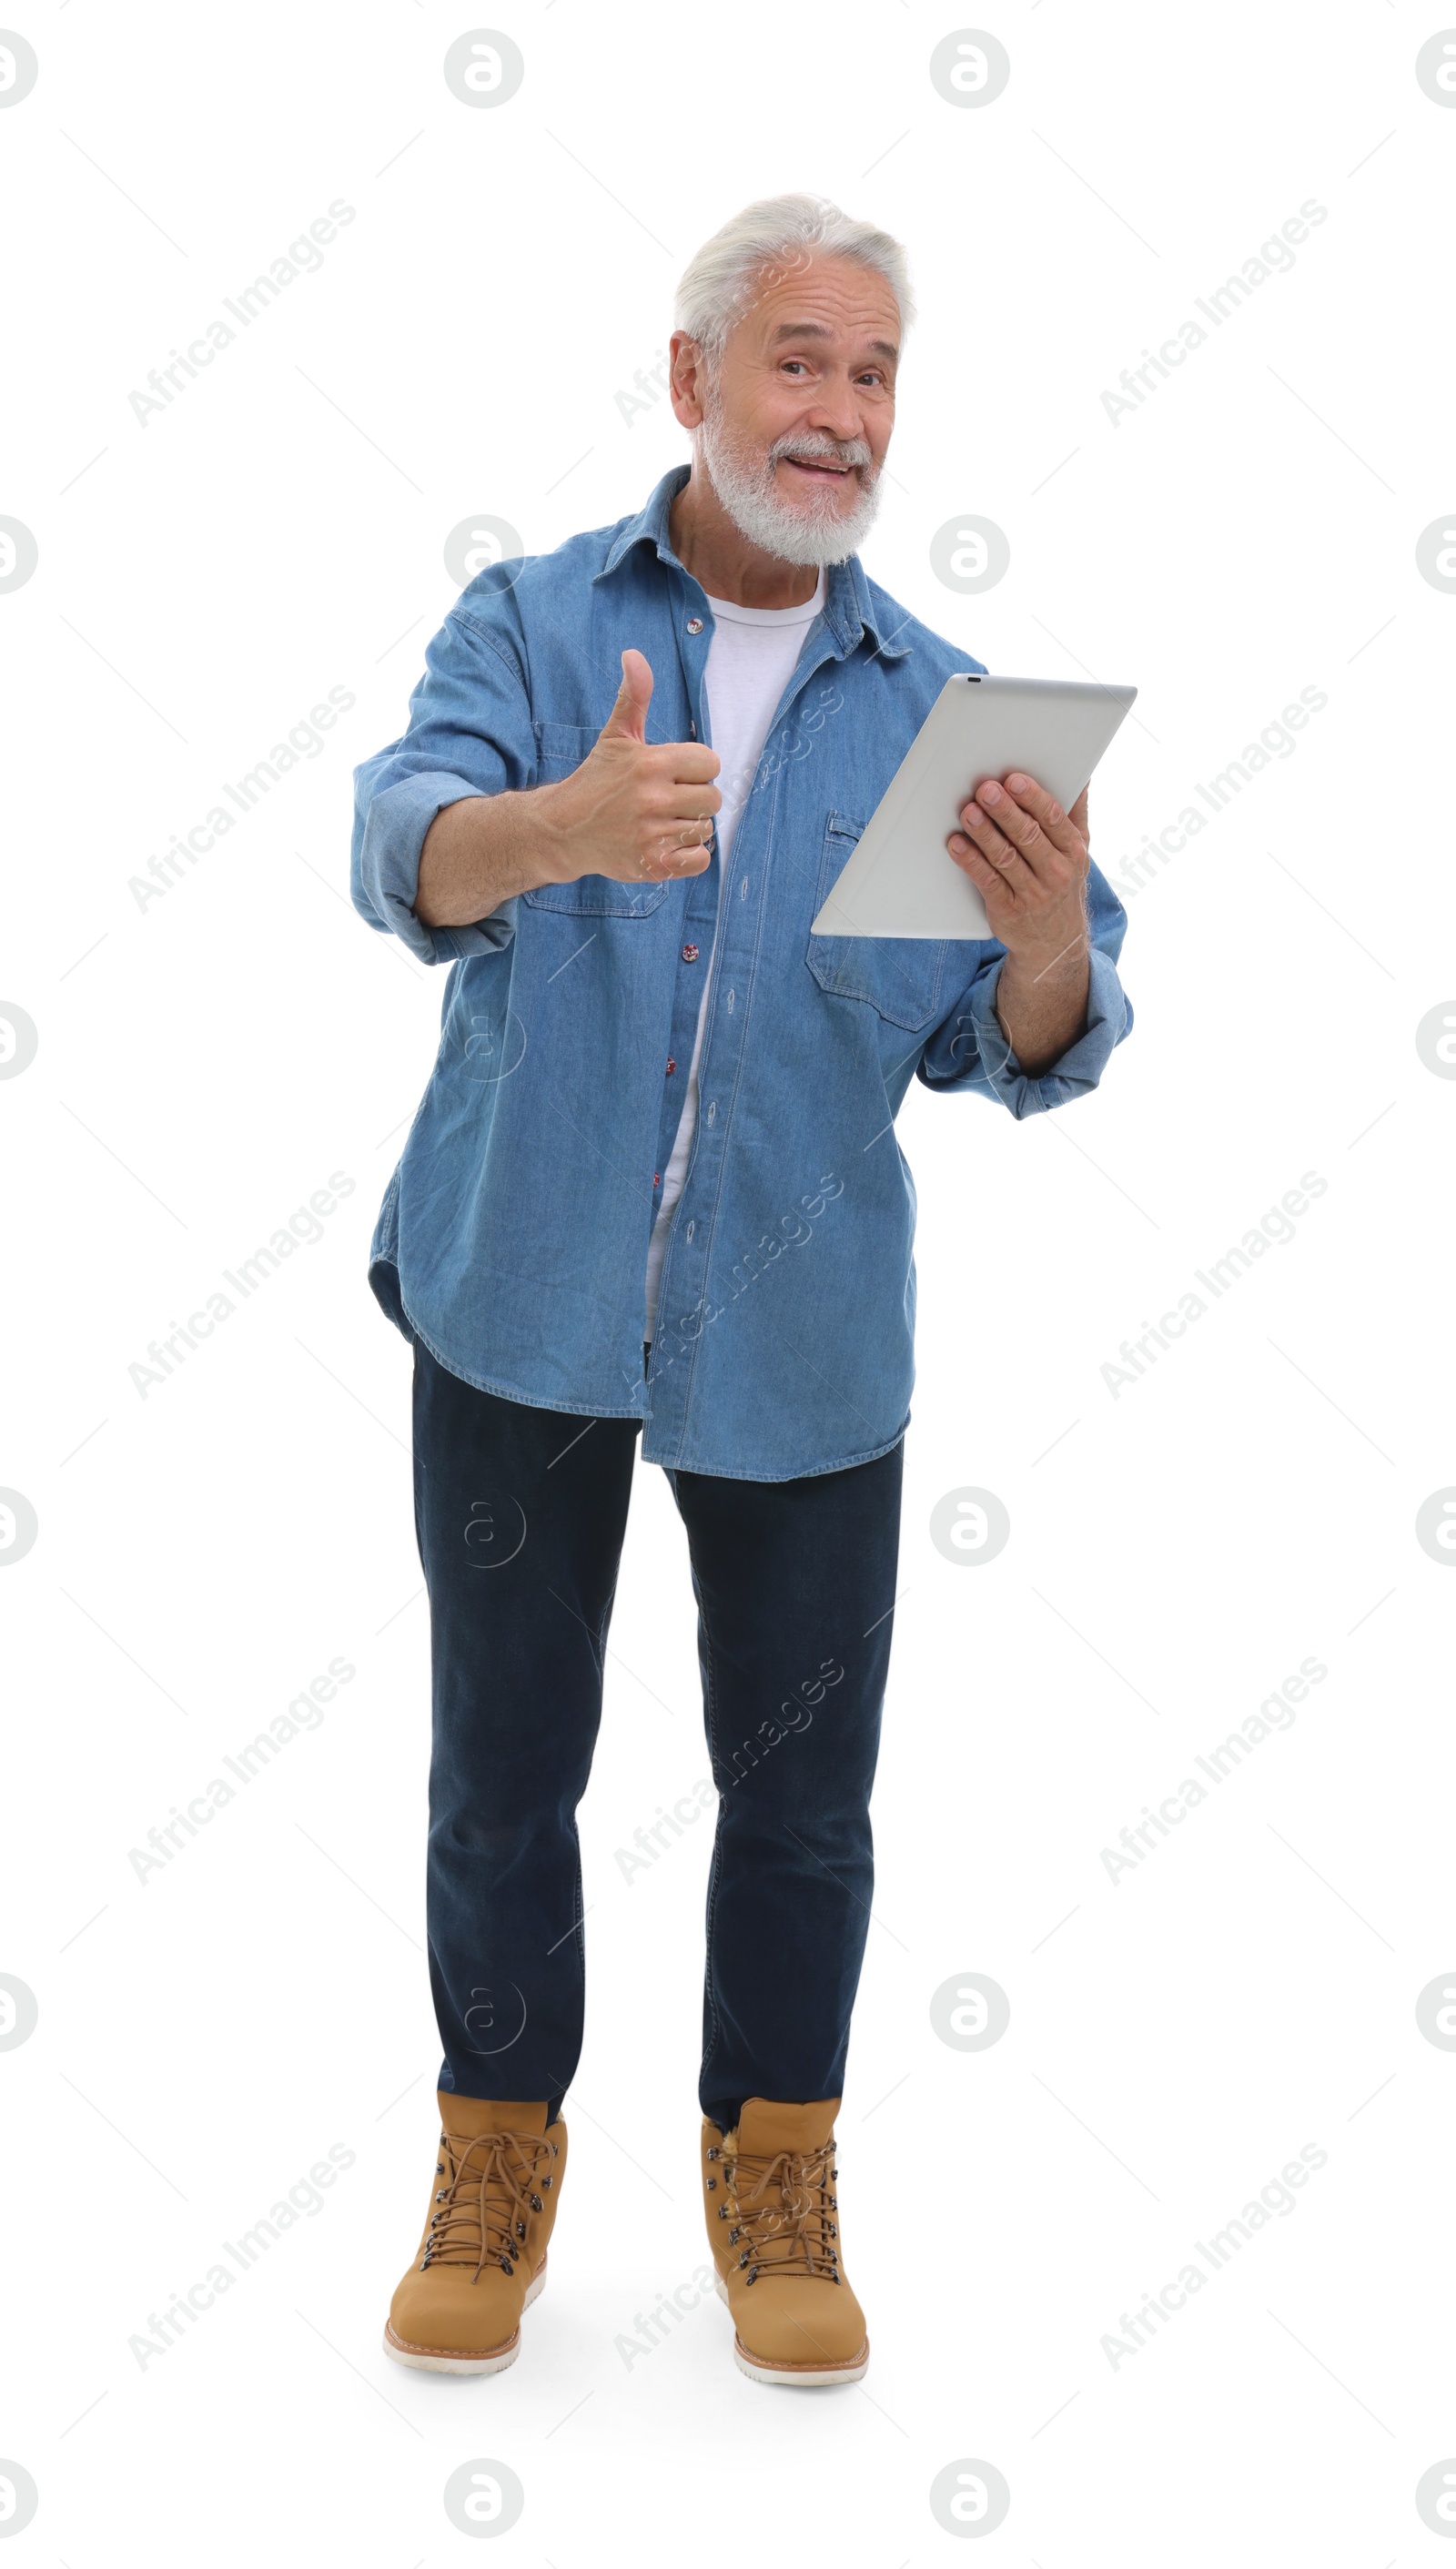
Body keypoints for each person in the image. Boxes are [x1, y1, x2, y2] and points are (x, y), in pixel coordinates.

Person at [350, 191, 1132, 2387]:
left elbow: (1030, 1037)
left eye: (873, 372)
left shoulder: (948, 717)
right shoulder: (528, 621)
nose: (840, 411)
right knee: (503, 1767)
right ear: (689, 380)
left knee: (803, 1796)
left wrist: (1052, 926)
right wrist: (560, 830)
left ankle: (773, 2164)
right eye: (797, 359)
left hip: (801, 1355)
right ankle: (491, 2153)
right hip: (515, 1305)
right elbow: (394, 840)